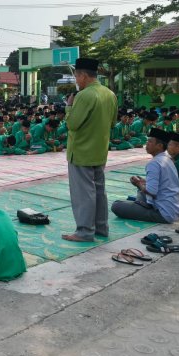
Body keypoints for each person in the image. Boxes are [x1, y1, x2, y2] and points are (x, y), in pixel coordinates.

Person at [63, 58, 117, 242]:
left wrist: (69, 106)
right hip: (100, 151)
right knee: (99, 191)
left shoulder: (84, 95)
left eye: (77, 77)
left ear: (84, 76)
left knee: (83, 193)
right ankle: (101, 228)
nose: (76, 81)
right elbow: (112, 123)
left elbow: (72, 124)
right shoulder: (110, 94)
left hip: (81, 152)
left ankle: (85, 232)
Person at [111, 128, 179, 223]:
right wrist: (144, 182)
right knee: (141, 191)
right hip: (174, 210)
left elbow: (151, 191)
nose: (147, 144)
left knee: (116, 205)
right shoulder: (168, 159)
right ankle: (140, 205)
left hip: (163, 213)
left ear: (159, 146)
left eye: (150, 142)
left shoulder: (154, 163)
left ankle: (140, 206)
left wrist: (138, 183)